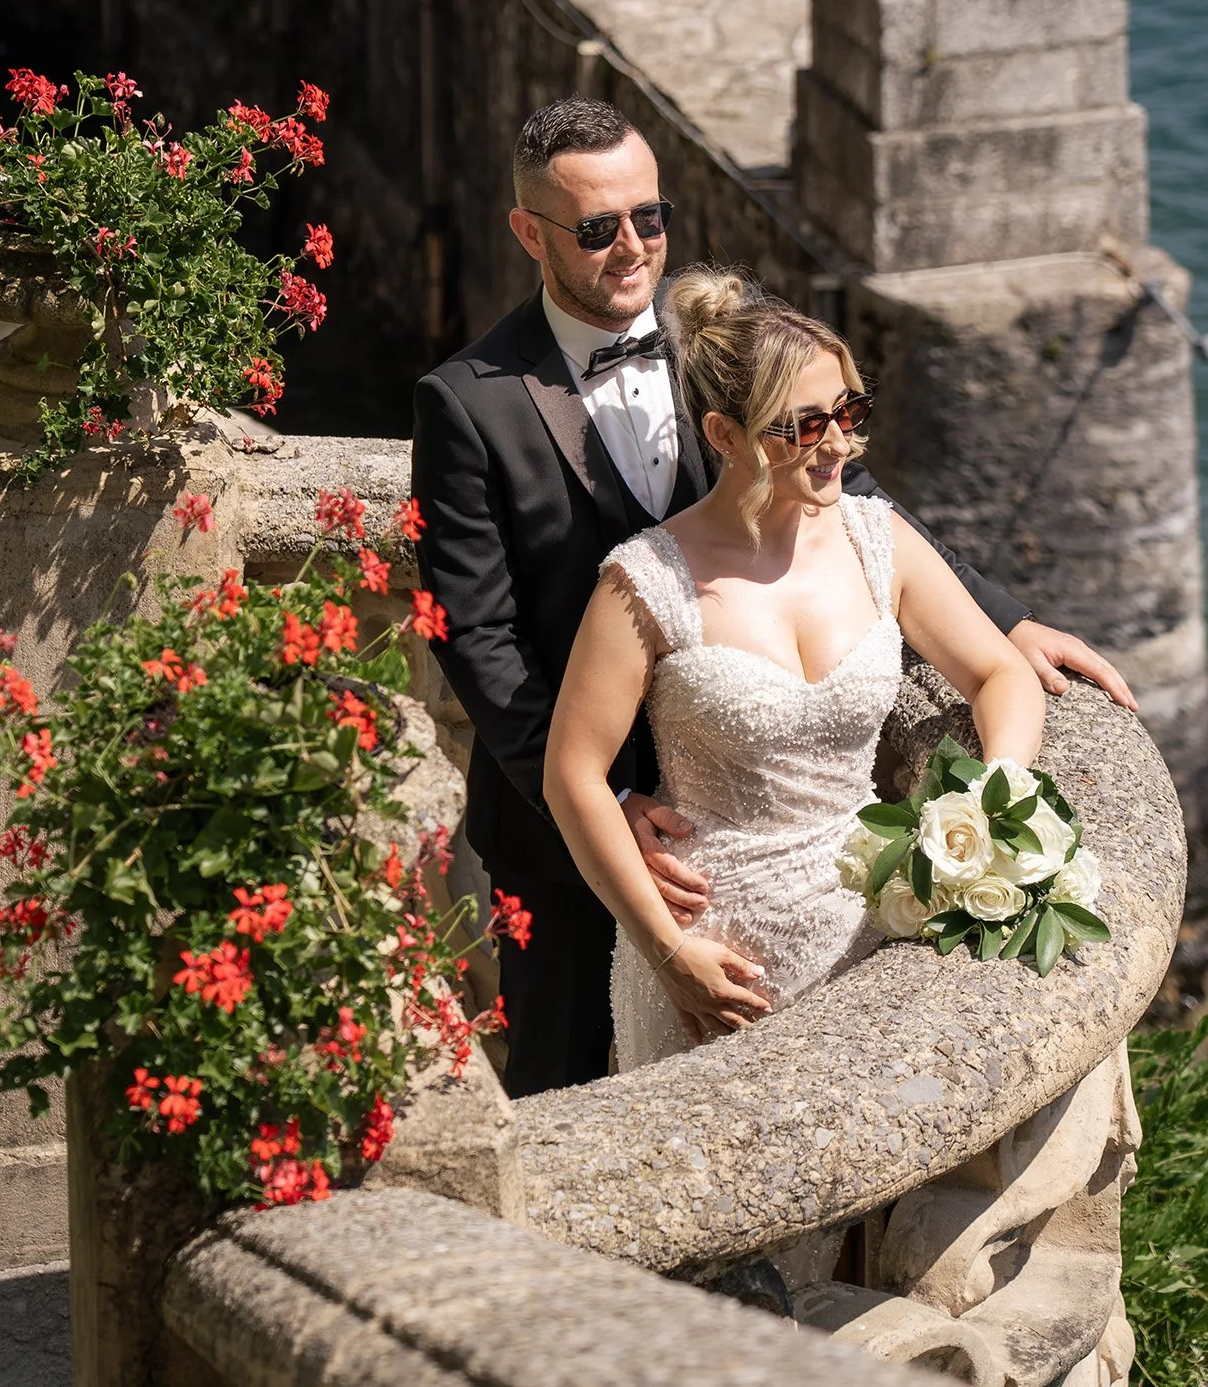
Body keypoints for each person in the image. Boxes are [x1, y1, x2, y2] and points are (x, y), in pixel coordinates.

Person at [412, 98, 1132, 1096]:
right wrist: (607, 799)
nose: (633, 248)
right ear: (530, 232)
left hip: (781, 831)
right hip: (581, 825)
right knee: (569, 1083)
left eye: (649, 218)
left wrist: (1002, 620)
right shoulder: (468, 402)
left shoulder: (727, 336)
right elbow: (475, 632)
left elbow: (837, 477)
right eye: (596, 229)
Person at [545, 270, 1044, 1068]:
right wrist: (672, 956)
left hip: (870, 926)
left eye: (848, 412)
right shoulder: (644, 581)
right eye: (804, 426)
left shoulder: (879, 539)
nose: (839, 443)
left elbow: (1001, 675)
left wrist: (992, 797)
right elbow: (572, 777)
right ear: (724, 434)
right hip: (711, 959)